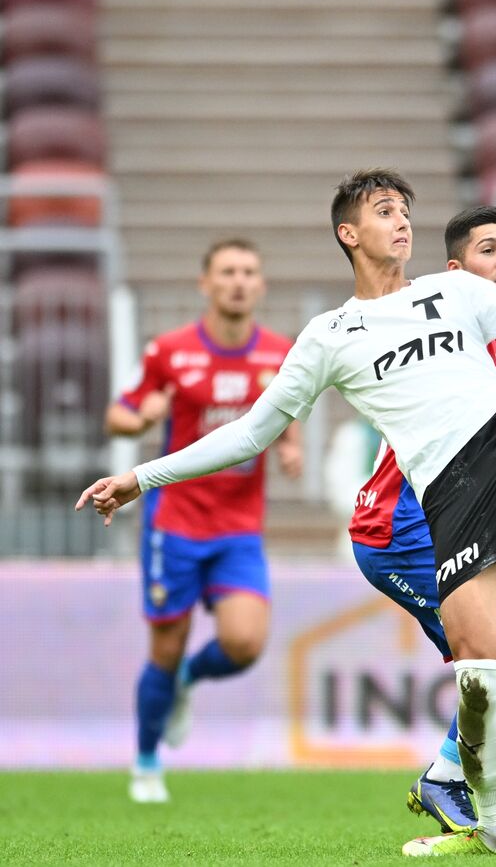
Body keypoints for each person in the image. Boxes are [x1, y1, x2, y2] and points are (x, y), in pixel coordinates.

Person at [77, 78, 496, 855]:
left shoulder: (454, 292)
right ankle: (489, 819)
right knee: (484, 674)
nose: (401, 221)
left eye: (406, 211)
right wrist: (142, 474)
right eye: (384, 211)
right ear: (347, 235)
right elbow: (254, 432)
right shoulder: (332, 334)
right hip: (449, 493)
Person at [350, 207, 496, 849]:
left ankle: (473, 791)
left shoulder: (492, 345)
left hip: (456, 522)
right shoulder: (442, 330)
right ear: (452, 275)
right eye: (489, 250)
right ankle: (461, 784)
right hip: (399, 529)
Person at [105, 239, 302, 803]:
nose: (239, 281)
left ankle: (190, 681)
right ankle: (145, 765)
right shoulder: (170, 351)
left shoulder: (279, 353)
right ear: (206, 284)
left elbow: (284, 412)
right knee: (164, 648)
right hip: (176, 523)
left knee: (244, 642)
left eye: (249, 272)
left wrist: (290, 447)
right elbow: (117, 414)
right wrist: (138, 418)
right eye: (228, 272)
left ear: (260, 285)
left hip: (239, 526)